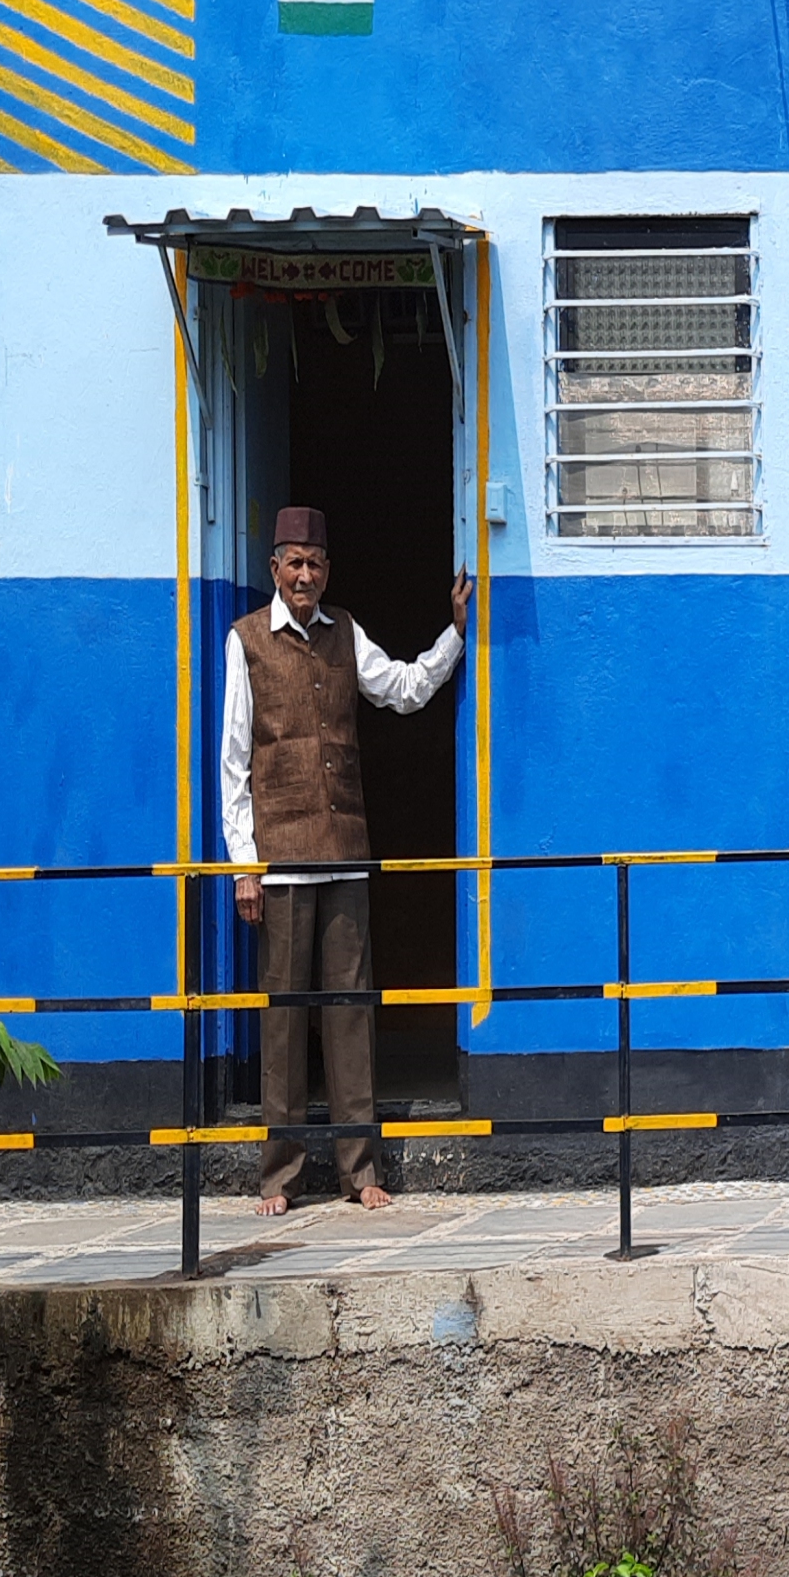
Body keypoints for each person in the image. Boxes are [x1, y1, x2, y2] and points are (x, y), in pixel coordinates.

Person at [222, 504, 472, 1213]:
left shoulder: (345, 634)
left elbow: (401, 689)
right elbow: (233, 761)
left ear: (328, 571)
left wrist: (453, 638)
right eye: (293, 563)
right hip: (282, 863)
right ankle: (279, 1176)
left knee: (350, 1013)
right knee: (283, 1016)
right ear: (274, 569)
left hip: (346, 856)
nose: (305, 575)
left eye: (316, 564)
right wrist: (245, 866)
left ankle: (360, 1171)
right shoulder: (246, 641)